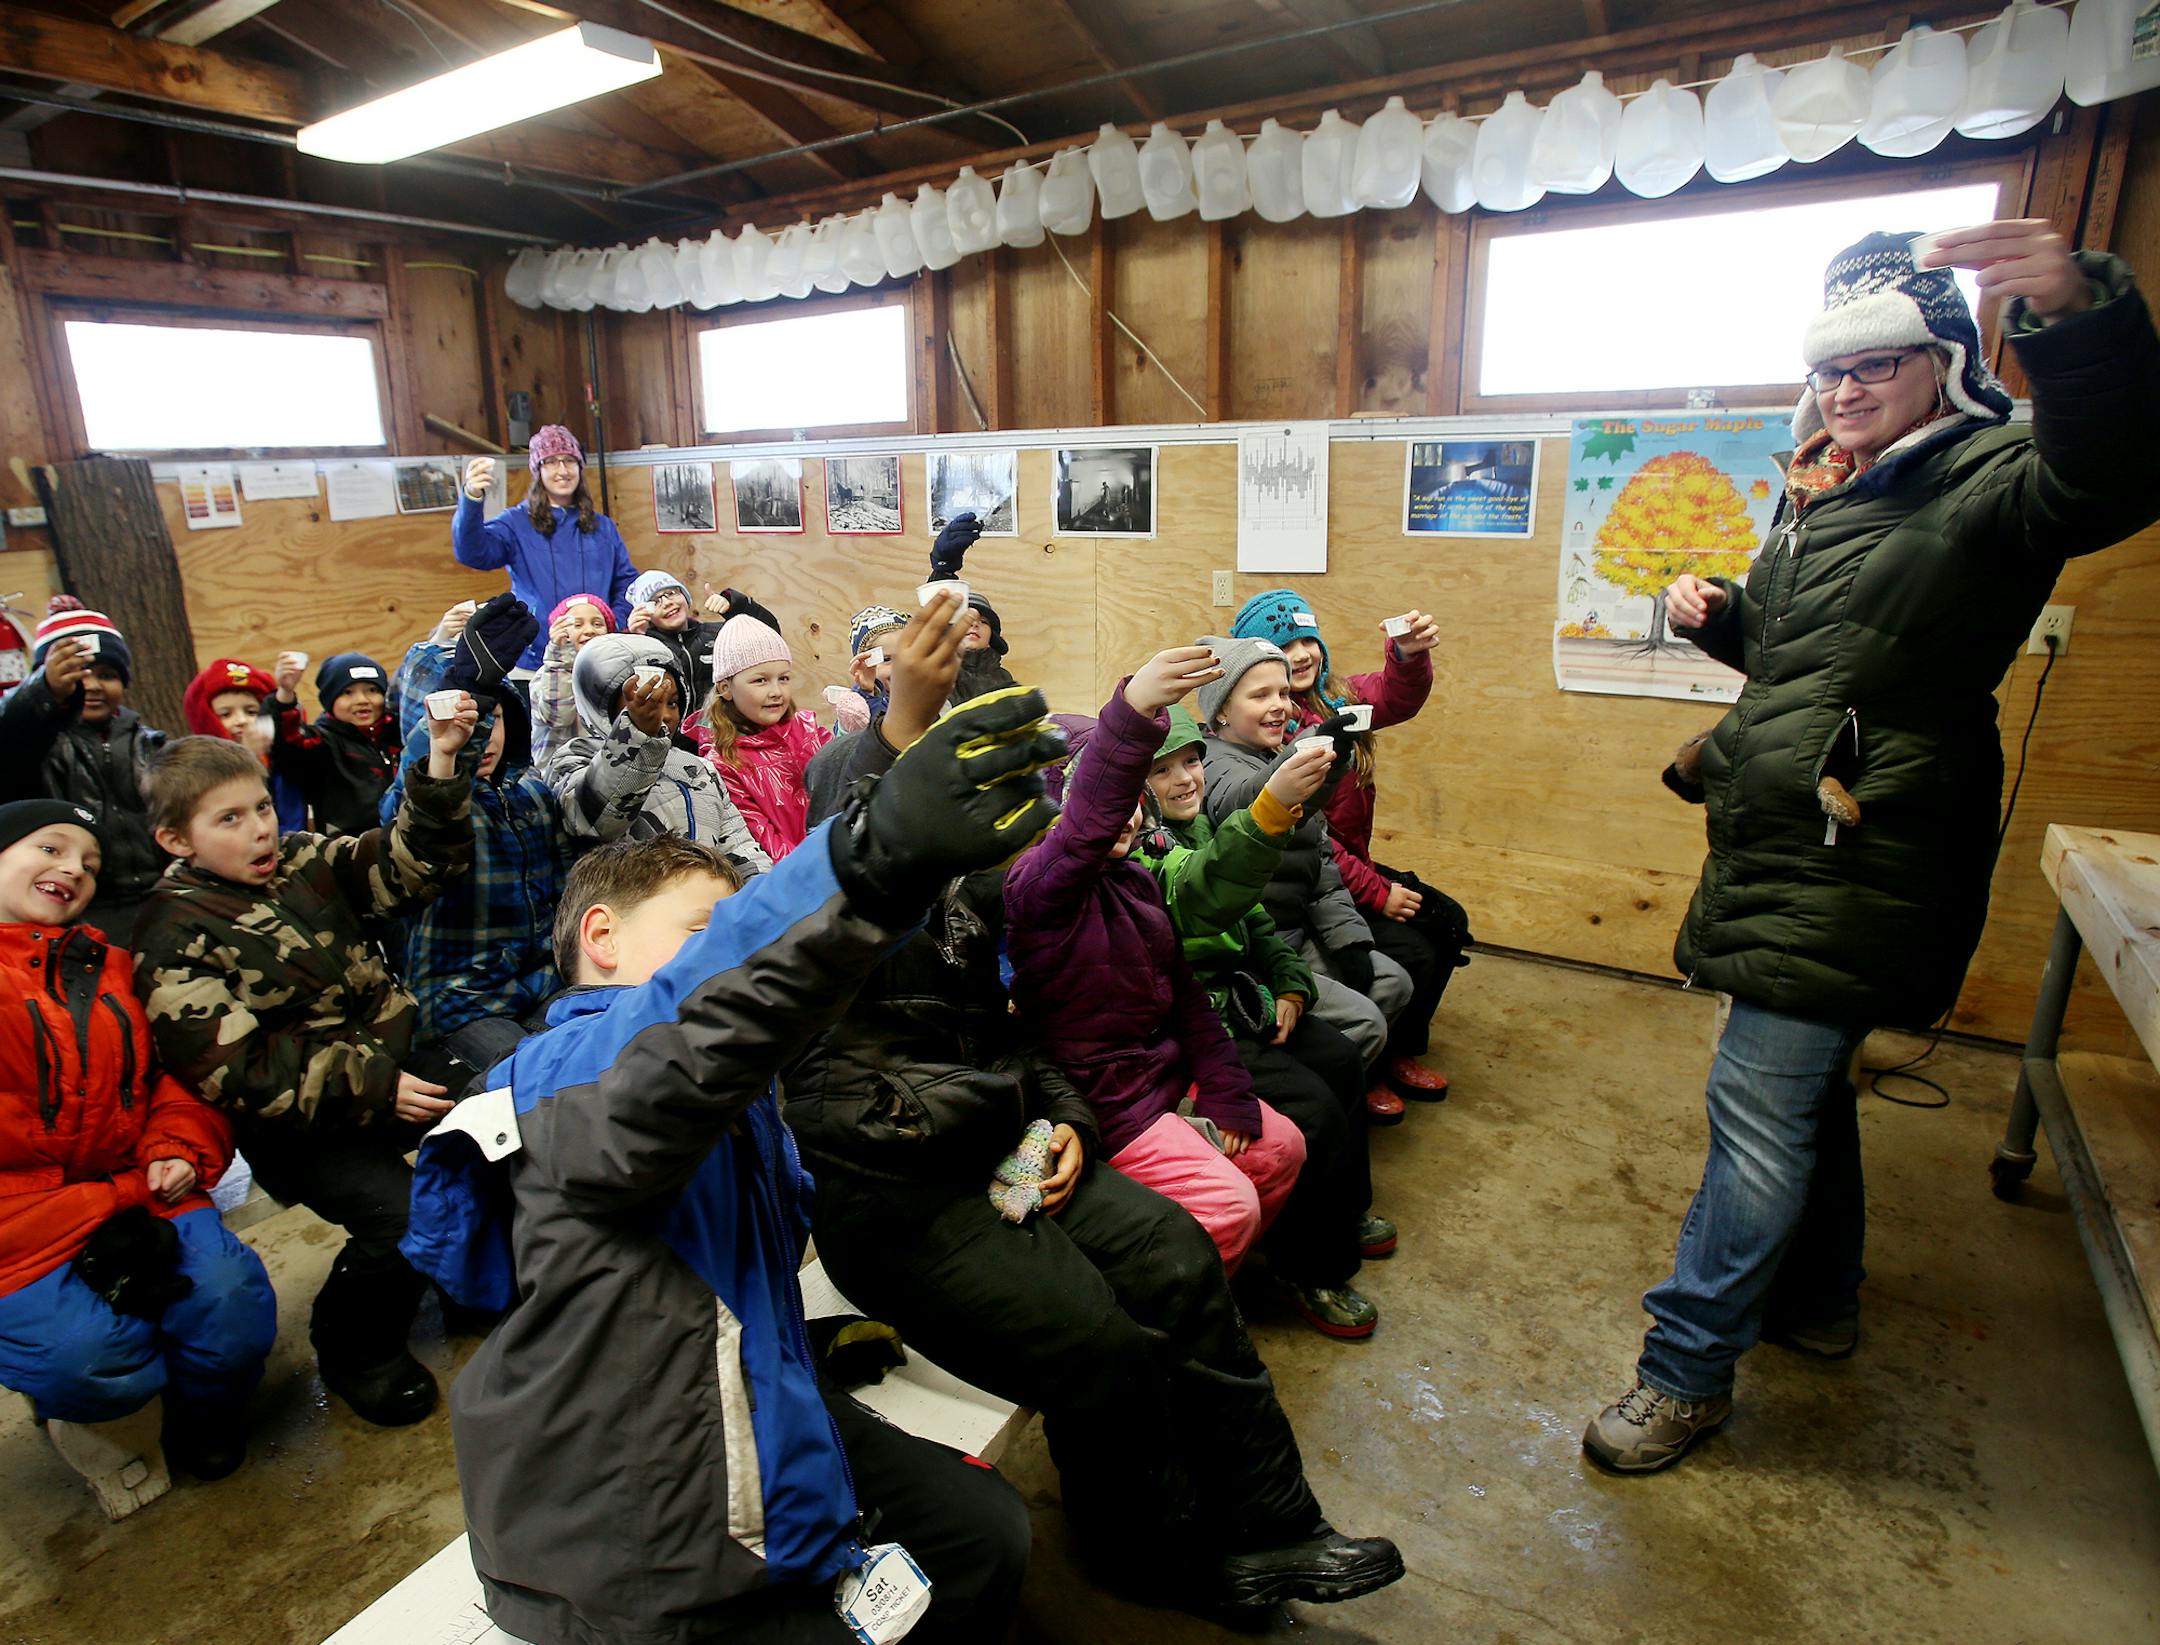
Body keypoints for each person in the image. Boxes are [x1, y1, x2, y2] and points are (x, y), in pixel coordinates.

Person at [1582, 222, 2160, 1475]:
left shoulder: (1992, 476)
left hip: (1862, 851)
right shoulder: (1828, 494)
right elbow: (1816, 669)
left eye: (1880, 367)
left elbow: (2112, 471)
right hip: (1793, 843)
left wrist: (2080, 321)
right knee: (1803, 1098)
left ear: (1945, 366)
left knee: (1755, 1115)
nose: (1847, 391)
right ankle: (1821, 1300)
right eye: (1834, 371)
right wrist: (1727, 620)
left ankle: (1684, 1374)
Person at [402, 684, 1071, 1645]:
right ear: (601, 936)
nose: (730, 960)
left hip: (733, 1389)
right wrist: (869, 858)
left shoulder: (728, 1079)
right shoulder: (566, 1068)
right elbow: (714, 1018)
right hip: (630, 1527)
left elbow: (786, 992)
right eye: (702, 934)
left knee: (982, 1533)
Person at [785, 603, 1405, 1619]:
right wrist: (907, 723)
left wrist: (1061, 1119)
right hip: (900, 1200)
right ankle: (1152, 1553)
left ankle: (1279, 1520)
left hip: (1006, 1148)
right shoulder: (832, 911)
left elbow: (1024, 1036)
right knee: (1098, 1341)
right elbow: (864, 840)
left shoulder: (974, 893)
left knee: (1176, 1259)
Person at [135, 701, 477, 1429]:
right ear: (175, 839)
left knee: (499, 1114)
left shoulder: (302, 857)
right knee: (402, 1216)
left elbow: (412, 867)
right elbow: (233, 1066)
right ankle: (355, 1345)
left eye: (261, 805)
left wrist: (442, 761)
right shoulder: (174, 930)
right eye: (228, 819)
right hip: (303, 1121)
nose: (259, 827)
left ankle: (465, 1281)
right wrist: (374, 1086)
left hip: (394, 1067)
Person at [0, 799, 276, 1511]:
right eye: (51, 849)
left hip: (139, 1183)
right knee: (87, 1361)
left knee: (231, 1306)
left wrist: (179, 1143)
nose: (72, 869)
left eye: (89, 863)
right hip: (18, 1224)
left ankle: (196, 1419)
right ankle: (106, 1420)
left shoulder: (114, 962)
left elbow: (176, 1073)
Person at [1007, 650, 1310, 1278]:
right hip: (1109, 1104)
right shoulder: (1038, 890)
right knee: (1230, 1207)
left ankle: (1216, 1281)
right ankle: (1179, 1316)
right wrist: (1134, 711)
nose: (1126, 815)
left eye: (1133, 800)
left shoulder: (1136, 883)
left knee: (1282, 1148)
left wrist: (1227, 1089)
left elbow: (1187, 1001)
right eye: (1108, 801)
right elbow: (1086, 822)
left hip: (1163, 1078)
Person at [1138, 706, 1390, 1337]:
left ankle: (1344, 1210)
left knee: (1338, 1058)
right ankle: (1309, 1268)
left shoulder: (1197, 832)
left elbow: (1258, 928)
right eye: (1162, 770)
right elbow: (1199, 911)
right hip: (1206, 1030)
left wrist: (1291, 985)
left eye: (1192, 761)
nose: (1186, 779)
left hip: (1247, 1003)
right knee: (1311, 1107)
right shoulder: (1147, 860)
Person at [1232, 591, 1468, 1102]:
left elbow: (1397, 695)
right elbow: (1311, 841)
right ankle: (1374, 1063)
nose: (1301, 654)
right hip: (1326, 876)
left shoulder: (1337, 699)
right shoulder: (1270, 728)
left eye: (1307, 640)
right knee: (1416, 951)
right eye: (1284, 644)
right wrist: (1376, 891)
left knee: (1448, 924)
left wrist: (1406, 655)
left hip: (1349, 869)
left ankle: (1400, 1043)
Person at [1196, 636, 1414, 1121]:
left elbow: (1322, 869)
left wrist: (1350, 941)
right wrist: (1304, 759)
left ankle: (1343, 1092)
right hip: (1259, 949)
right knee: (1367, 1023)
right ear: (1222, 712)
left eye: (1282, 694)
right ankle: (1315, 1112)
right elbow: (1246, 799)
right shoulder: (1213, 763)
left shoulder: (1272, 752)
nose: (1278, 706)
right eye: (1259, 696)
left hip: (1298, 933)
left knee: (1393, 983)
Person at [382, 596, 568, 1069]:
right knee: (534, 1076)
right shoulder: (412, 801)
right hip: (460, 1001)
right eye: (466, 725)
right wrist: (467, 700)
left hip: (545, 984)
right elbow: (429, 801)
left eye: (494, 718)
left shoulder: (532, 793)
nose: (481, 736)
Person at [0, 600, 167, 938]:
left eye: (107, 675)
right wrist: (43, 692)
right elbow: (11, 734)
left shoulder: (153, 744)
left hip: (161, 897)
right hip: (78, 907)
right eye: (80, 674)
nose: (92, 685)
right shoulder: (36, 744)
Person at [547, 633, 769, 876]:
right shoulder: (575, 758)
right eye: (643, 703)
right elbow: (596, 822)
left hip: (706, 906)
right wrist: (636, 733)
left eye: (672, 703)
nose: (662, 715)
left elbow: (738, 845)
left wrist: (762, 892)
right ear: (601, 706)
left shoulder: (698, 769)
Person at [453, 428, 638, 673]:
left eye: (569, 460)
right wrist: (471, 498)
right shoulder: (516, 523)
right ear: (538, 470)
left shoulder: (602, 527)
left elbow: (626, 582)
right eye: (550, 462)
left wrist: (612, 623)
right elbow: (473, 553)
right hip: (535, 661)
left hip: (598, 658)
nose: (562, 470)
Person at [698, 614, 831, 862]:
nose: (776, 692)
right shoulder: (723, 764)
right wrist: (817, 869)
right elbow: (761, 840)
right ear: (726, 688)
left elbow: (842, 787)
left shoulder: (807, 728)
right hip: (795, 878)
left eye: (784, 678)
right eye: (760, 680)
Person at [270, 651, 400, 838]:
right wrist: (285, 695)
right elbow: (287, 743)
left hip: (405, 842)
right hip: (350, 851)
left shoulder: (400, 732)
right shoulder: (323, 742)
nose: (362, 700)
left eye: (372, 690)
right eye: (348, 692)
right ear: (329, 701)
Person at [182, 656, 307, 835]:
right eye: (225, 714)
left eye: (251, 712)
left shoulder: (280, 756)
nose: (241, 721)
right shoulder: (196, 768)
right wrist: (247, 758)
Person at [528, 592, 616, 774]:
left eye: (598, 624)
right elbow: (559, 716)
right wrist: (561, 656)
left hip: (603, 777)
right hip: (557, 779)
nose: (589, 630)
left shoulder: (615, 676)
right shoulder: (545, 676)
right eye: (577, 624)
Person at [624, 567, 719, 707]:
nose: (667, 603)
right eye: (655, 602)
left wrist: (736, 608)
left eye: (671, 593)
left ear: (685, 597)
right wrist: (639, 640)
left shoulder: (716, 633)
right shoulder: (647, 646)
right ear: (645, 615)